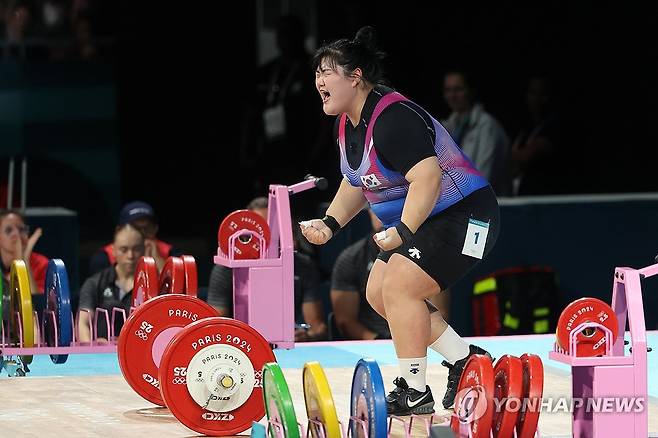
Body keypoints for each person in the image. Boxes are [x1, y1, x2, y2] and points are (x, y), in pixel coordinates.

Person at [300, 26, 500, 415]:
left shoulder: (394, 118)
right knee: (378, 292)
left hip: (469, 216)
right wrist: (330, 223)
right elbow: (357, 180)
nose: (319, 81)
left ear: (356, 76)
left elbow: (428, 177)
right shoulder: (347, 122)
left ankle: (414, 389)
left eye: (328, 72)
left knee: (401, 287)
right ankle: (465, 359)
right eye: (317, 73)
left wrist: (403, 231)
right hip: (429, 221)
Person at [207, 197, 327, 342]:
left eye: (274, 229)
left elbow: (317, 327)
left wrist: (306, 336)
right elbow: (217, 328)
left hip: (285, 345)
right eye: (261, 228)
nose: (270, 236)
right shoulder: (226, 269)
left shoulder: (303, 266)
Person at [442, 70, 511, 196]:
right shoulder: (447, 127)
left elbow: (482, 179)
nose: (452, 96)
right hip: (462, 205)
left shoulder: (487, 126)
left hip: (494, 206)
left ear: (471, 92)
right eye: (448, 90)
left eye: (458, 89)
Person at [78, 223, 145, 342]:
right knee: (111, 306)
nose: (130, 255)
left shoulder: (152, 286)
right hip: (101, 353)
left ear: (144, 249)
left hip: (137, 350)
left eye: (136, 249)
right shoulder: (94, 283)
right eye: (124, 249)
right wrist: (90, 349)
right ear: (113, 250)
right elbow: (83, 322)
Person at [88, 201, 178, 275]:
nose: (143, 235)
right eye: (136, 228)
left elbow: (178, 291)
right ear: (120, 230)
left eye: (147, 228)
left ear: (155, 229)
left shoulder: (171, 253)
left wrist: (157, 261)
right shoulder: (103, 258)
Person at [510, 75, 562, 195]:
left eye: (543, 94)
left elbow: (524, 157)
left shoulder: (554, 127)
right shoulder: (525, 130)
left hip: (545, 198)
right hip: (521, 197)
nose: (538, 99)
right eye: (533, 93)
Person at [0, 209, 46, 301]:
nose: (17, 234)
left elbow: (37, 306)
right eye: (9, 230)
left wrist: (25, 261)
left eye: (21, 229)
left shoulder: (41, 263)